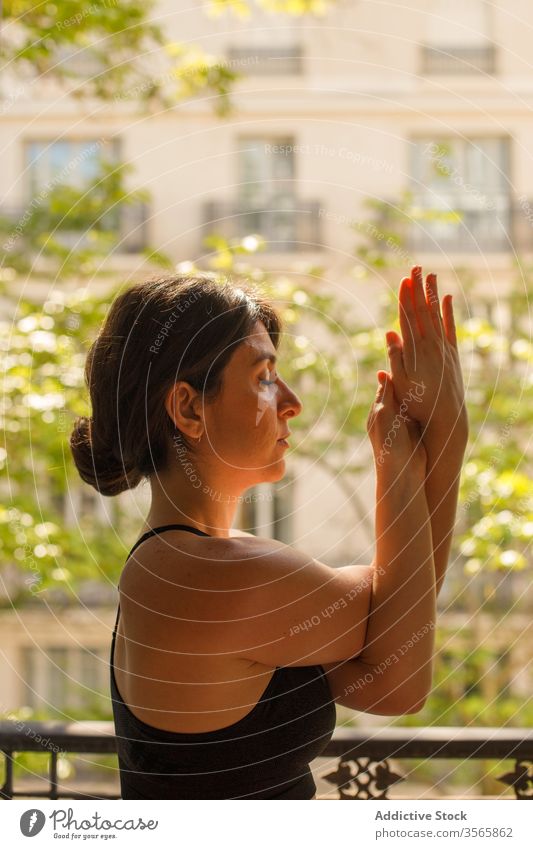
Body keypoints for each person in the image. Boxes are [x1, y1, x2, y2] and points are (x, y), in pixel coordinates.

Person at [69, 267, 468, 799]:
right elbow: (404, 670)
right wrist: (435, 438)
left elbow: (391, 657)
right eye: (263, 377)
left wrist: (434, 443)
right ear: (189, 408)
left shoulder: (179, 564)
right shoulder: (208, 576)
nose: (291, 400)